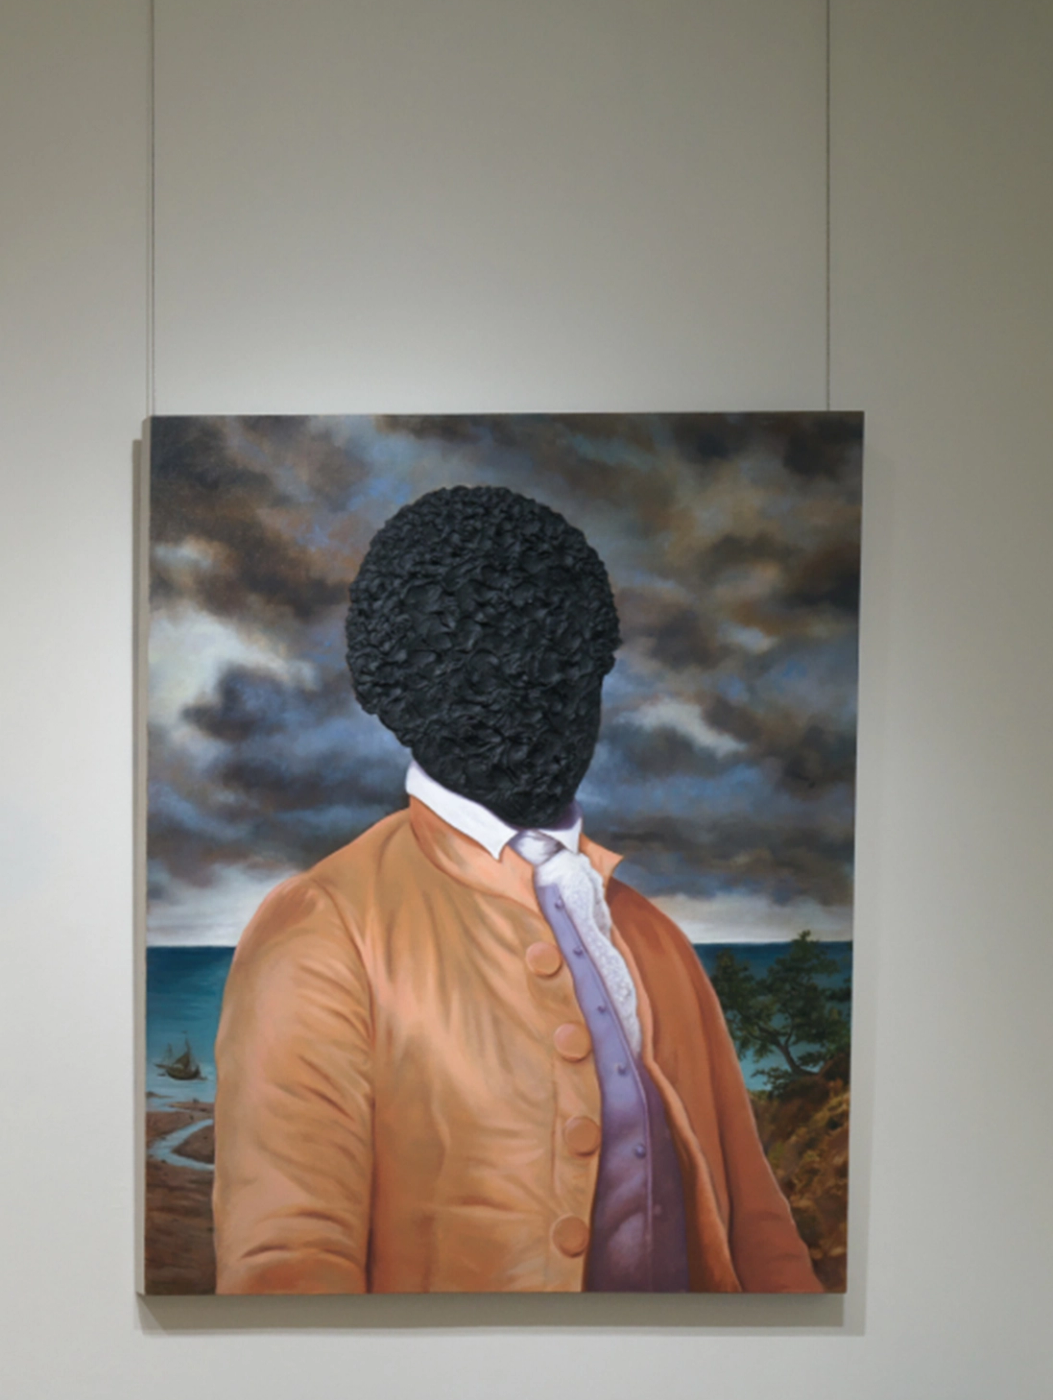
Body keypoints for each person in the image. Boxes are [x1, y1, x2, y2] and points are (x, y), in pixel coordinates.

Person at [210, 484, 819, 1295]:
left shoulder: (653, 938)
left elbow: (759, 1230)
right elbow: (286, 1266)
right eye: (487, 673)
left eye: (561, 670)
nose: (533, 705)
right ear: (403, 690)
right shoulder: (325, 927)